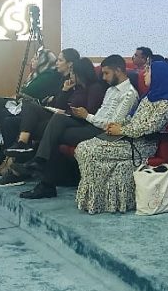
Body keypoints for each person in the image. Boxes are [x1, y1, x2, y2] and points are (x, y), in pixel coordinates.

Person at [16, 54, 139, 198]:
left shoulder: (129, 94)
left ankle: (44, 177)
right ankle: (41, 164)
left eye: (106, 73)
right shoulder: (111, 90)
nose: (104, 78)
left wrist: (87, 116)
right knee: (58, 119)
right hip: (92, 124)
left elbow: (113, 124)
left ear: (118, 70)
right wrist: (86, 117)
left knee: (55, 135)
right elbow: (101, 113)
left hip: (105, 133)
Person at [74, 58, 168, 214]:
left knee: (87, 150)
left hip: (142, 145)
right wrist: (117, 125)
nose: (144, 74)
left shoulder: (167, 104)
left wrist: (121, 130)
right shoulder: (149, 97)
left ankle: (100, 201)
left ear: (158, 75)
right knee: (83, 147)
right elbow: (133, 119)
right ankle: (99, 200)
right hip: (129, 138)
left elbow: (149, 127)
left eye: (148, 71)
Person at [0, 48, 70, 164]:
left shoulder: (49, 75)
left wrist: (19, 95)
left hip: (29, 109)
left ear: (43, 62)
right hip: (20, 105)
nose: (31, 61)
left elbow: (27, 91)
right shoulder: (37, 75)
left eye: (35, 58)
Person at [3, 57, 105, 158]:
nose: (71, 75)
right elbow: (58, 105)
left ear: (80, 73)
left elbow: (90, 111)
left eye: (73, 73)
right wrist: (65, 91)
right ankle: (22, 143)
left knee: (33, 125)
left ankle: (27, 153)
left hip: (76, 120)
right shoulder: (76, 87)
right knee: (29, 105)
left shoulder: (95, 88)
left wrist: (68, 112)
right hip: (62, 115)